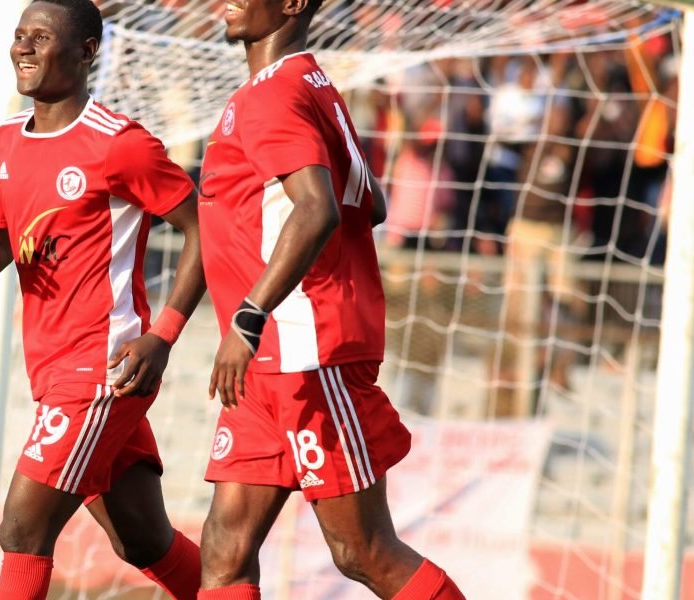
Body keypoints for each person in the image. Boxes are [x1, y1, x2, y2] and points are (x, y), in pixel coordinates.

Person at [0, 1, 204, 598]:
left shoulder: (118, 144)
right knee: (142, 540)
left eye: (41, 37)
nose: (23, 48)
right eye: (19, 35)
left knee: (22, 529)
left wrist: (162, 335)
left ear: (86, 52)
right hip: (53, 369)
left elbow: (204, 227)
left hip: (103, 368)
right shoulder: (4, 143)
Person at [194, 1, 464, 599]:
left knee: (362, 550)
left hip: (303, 348)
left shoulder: (273, 93)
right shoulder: (312, 83)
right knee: (224, 550)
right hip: (268, 360)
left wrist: (248, 316)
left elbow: (317, 208)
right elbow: (373, 203)